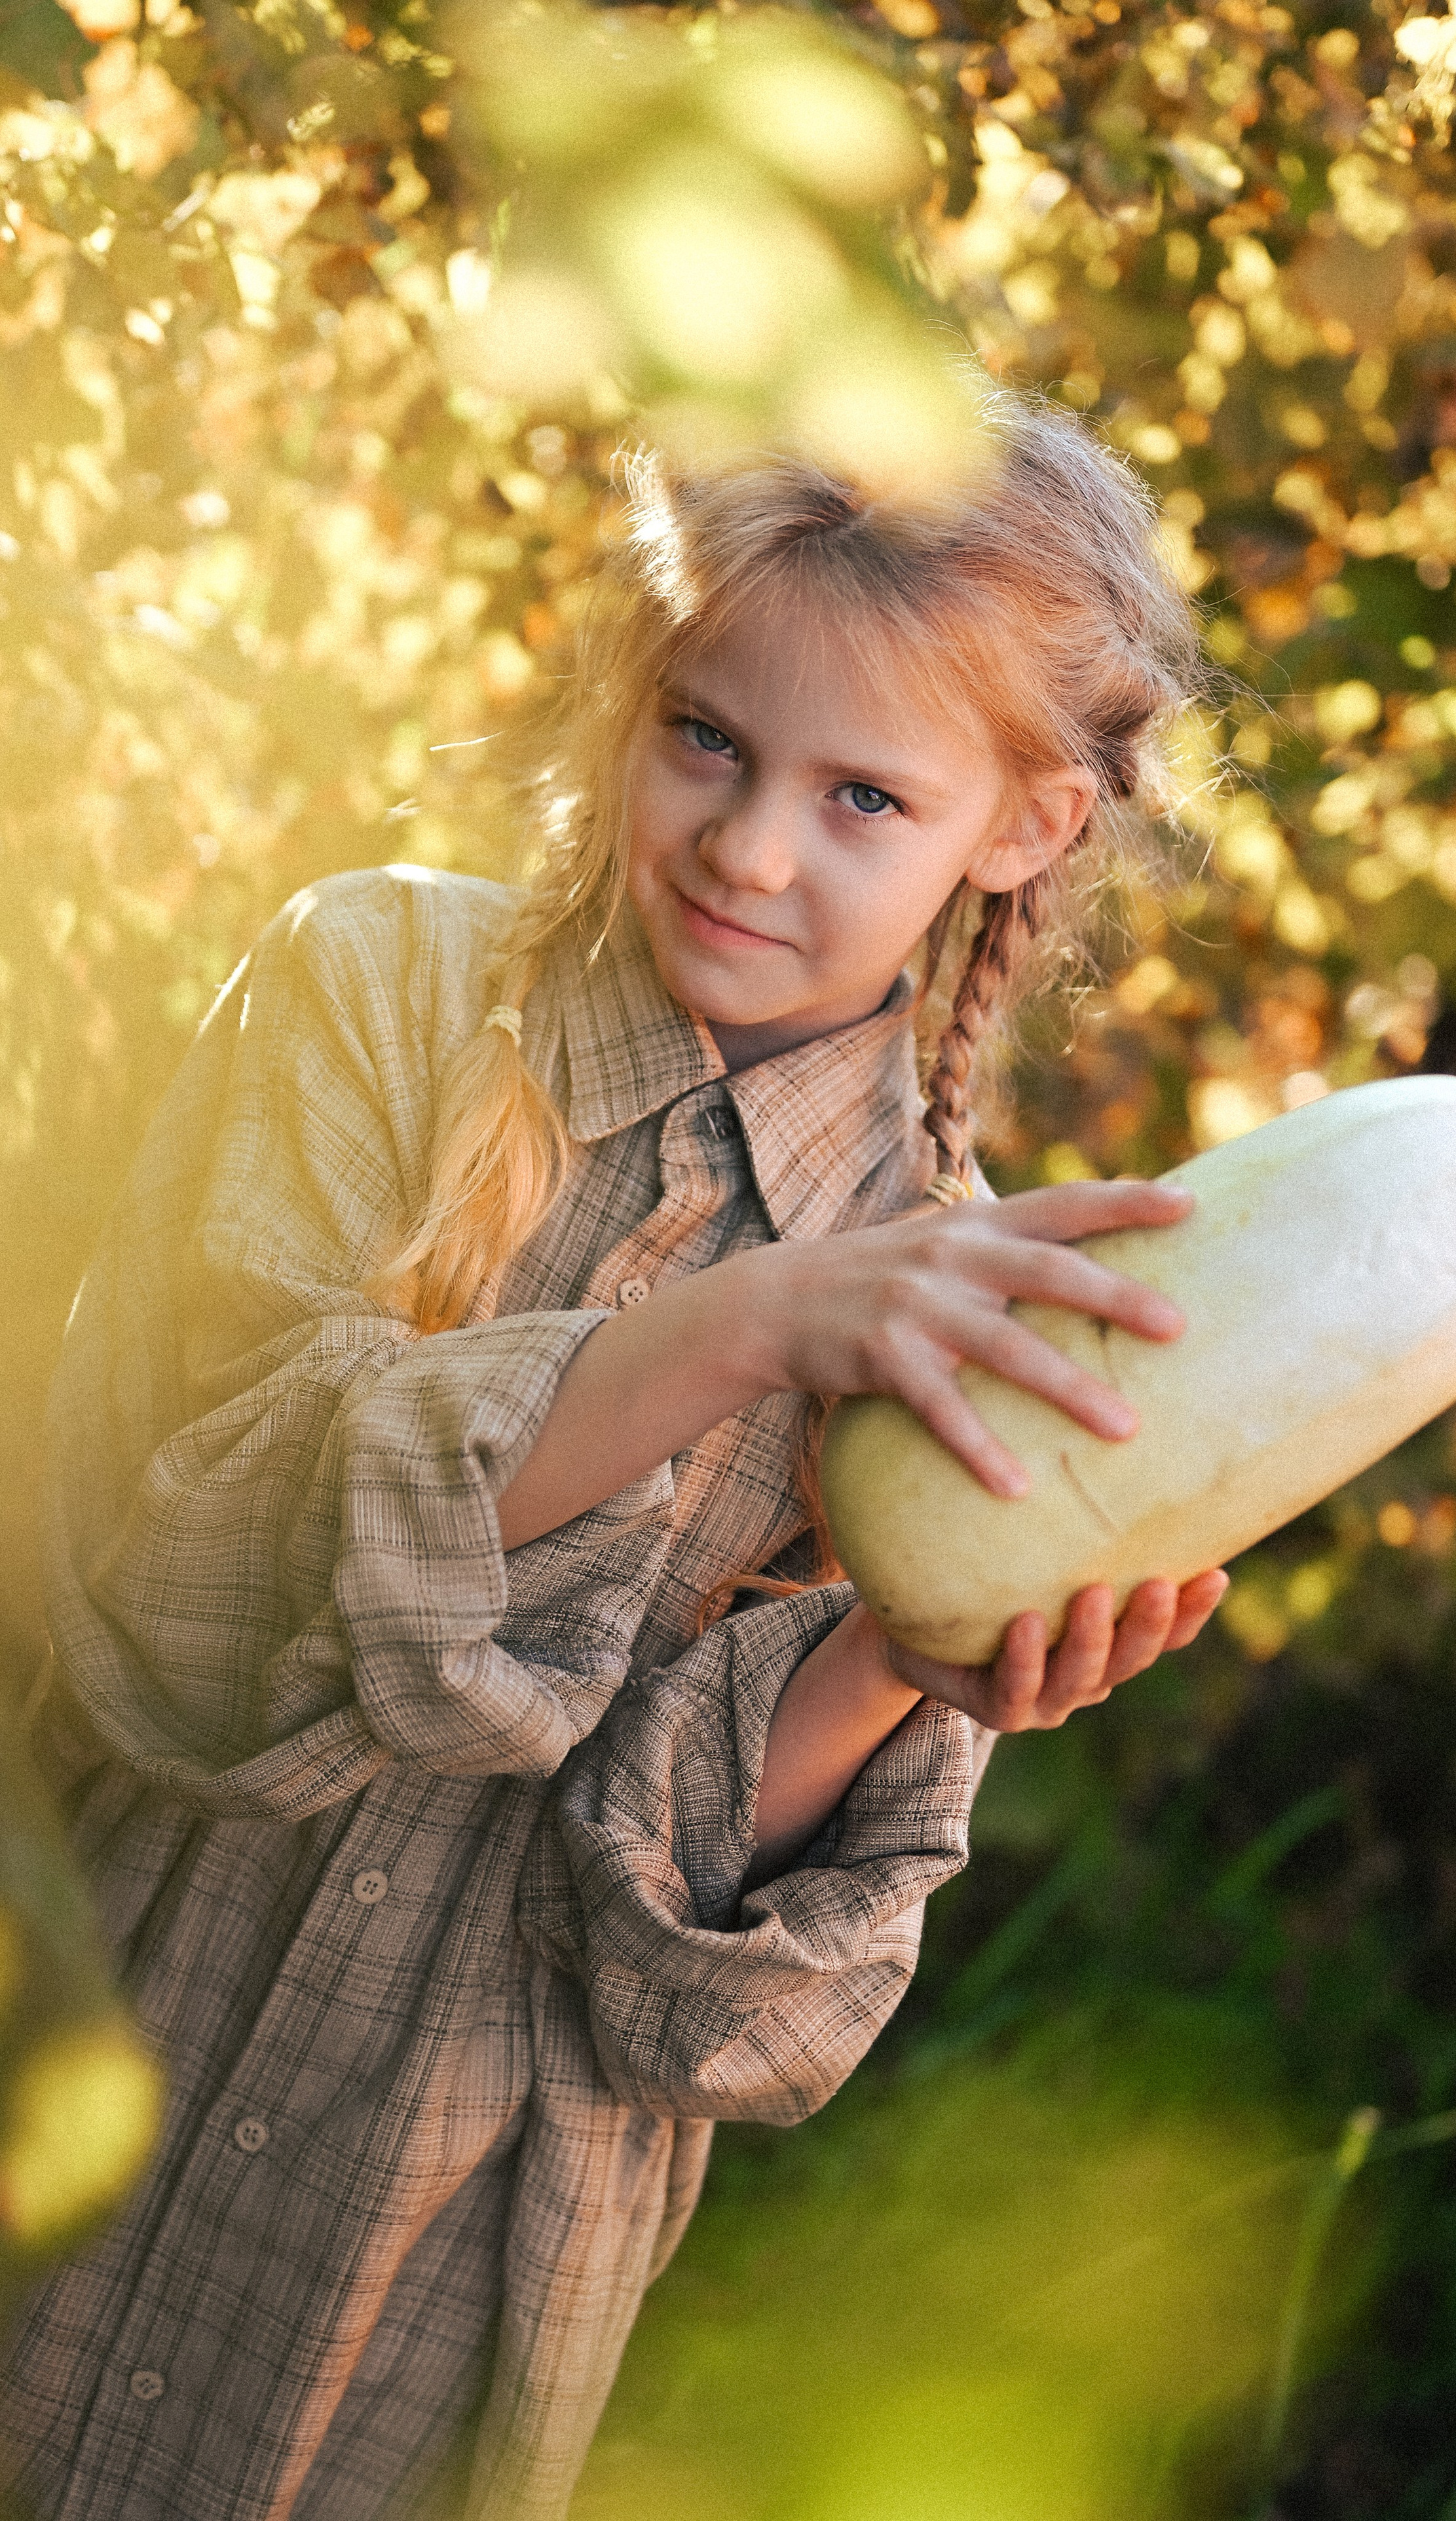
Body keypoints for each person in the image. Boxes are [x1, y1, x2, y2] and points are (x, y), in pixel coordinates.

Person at [1, 392, 1228, 2521]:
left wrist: (895, 1675)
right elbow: (152, 1600)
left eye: (865, 794)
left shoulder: (967, 1318)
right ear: (631, 687)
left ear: (1019, 828)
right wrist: (731, 1332)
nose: (755, 848)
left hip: (412, 2284)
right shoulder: (372, 996)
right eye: (707, 740)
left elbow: (699, 2015)